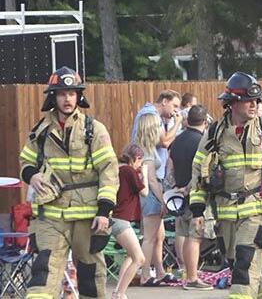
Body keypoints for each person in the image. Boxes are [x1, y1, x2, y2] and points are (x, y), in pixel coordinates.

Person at [19, 67, 119, 299]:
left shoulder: (93, 130)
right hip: (51, 216)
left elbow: (109, 172)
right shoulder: (39, 132)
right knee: (43, 273)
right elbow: (25, 162)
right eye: (62, 93)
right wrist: (32, 175)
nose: (67, 99)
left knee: (90, 278)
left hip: (88, 218)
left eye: (72, 93)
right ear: (53, 97)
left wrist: (104, 211)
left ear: (79, 96)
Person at [188, 72, 262, 299]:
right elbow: (199, 171)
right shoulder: (214, 133)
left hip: (257, 212)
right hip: (226, 215)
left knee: (243, 266)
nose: (254, 105)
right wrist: (197, 210)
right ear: (233, 102)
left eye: (256, 101)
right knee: (246, 270)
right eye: (248, 100)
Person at [168, 105, 214, 291]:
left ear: (188, 121)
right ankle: (193, 278)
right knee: (195, 237)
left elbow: (170, 166)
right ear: (205, 122)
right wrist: (188, 188)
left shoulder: (177, 140)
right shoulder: (202, 142)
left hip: (177, 196)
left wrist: (174, 187)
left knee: (185, 236)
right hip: (195, 196)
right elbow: (201, 171)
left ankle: (188, 273)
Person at [136, 113, 172, 286]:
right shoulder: (147, 150)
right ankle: (145, 274)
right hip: (152, 195)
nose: (161, 129)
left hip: (149, 194)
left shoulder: (142, 147)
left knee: (160, 235)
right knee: (150, 237)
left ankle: (159, 271)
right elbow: (151, 178)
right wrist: (163, 200)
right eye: (158, 126)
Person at [112, 144, 149, 299]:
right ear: (136, 158)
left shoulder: (118, 169)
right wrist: (145, 175)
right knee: (139, 258)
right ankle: (120, 293)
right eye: (140, 161)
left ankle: (117, 291)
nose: (140, 165)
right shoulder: (128, 170)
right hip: (121, 220)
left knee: (130, 255)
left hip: (116, 218)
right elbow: (145, 192)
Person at [131, 90, 183, 185]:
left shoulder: (154, 115)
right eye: (174, 106)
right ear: (164, 102)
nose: (176, 110)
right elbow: (164, 142)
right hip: (149, 176)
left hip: (152, 174)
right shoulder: (150, 115)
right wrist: (177, 123)